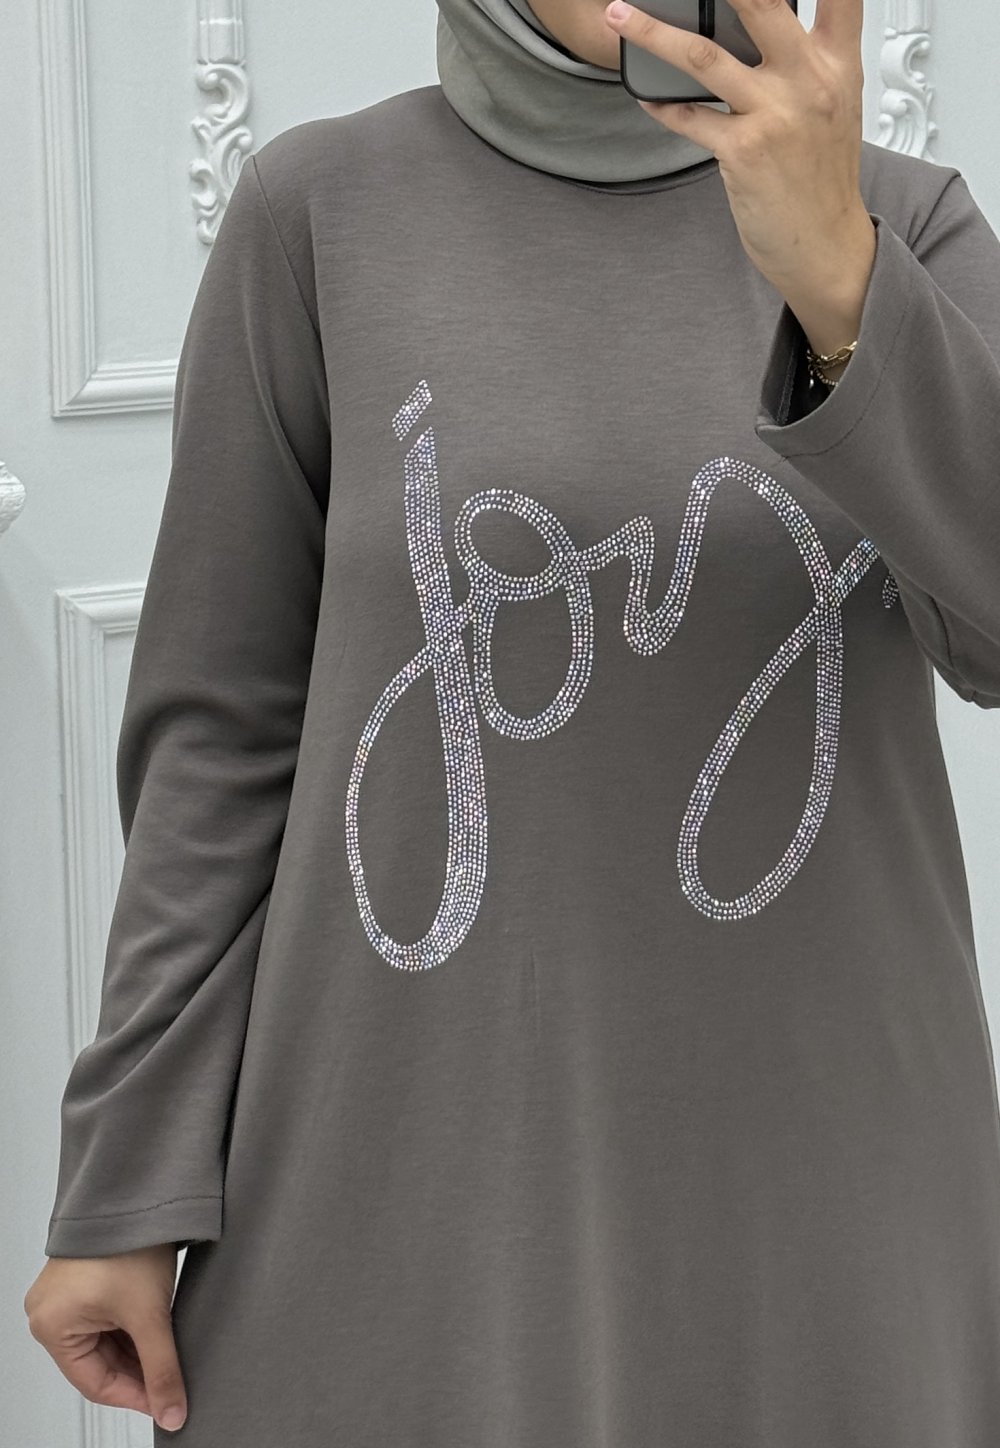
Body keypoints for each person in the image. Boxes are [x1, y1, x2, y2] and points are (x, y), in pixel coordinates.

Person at [23, 1, 1000, 1444]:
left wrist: (841, 286)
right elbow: (217, 742)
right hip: (410, 1159)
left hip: (821, 1169)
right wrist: (126, 1176)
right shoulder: (316, 215)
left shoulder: (904, 222)